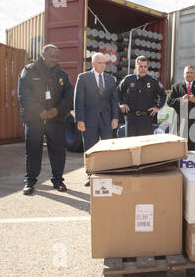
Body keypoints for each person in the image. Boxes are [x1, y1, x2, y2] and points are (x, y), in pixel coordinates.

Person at [17, 44, 73, 195]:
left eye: (57, 57)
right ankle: (30, 182)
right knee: (33, 149)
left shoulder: (62, 74)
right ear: (43, 54)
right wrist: (39, 111)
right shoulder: (29, 71)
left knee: (58, 150)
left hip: (56, 120)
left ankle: (58, 180)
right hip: (34, 119)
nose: (54, 59)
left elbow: (69, 96)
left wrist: (57, 110)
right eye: (51, 56)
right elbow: (24, 94)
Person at [74, 53, 119, 187]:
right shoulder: (83, 78)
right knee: (90, 148)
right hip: (89, 120)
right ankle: (90, 174)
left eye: (104, 63)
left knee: (107, 147)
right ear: (92, 64)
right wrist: (79, 119)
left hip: (106, 120)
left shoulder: (110, 79)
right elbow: (78, 100)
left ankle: (106, 172)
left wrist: (115, 118)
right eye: (100, 63)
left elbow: (114, 101)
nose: (103, 65)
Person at [117, 55, 166, 137]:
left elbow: (163, 95)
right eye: (140, 66)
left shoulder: (153, 81)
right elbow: (117, 92)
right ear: (136, 67)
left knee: (145, 145)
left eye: (145, 67)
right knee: (131, 145)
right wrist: (121, 104)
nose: (143, 69)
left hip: (146, 119)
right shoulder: (128, 80)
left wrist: (157, 107)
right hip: (131, 118)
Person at [167, 65, 195, 149]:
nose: (189, 74)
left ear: (194, 74)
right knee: (180, 149)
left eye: (191, 73)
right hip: (180, 125)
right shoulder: (176, 87)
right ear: (183, 74)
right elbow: (169, 102)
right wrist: (181, 100)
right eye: (187, 72)